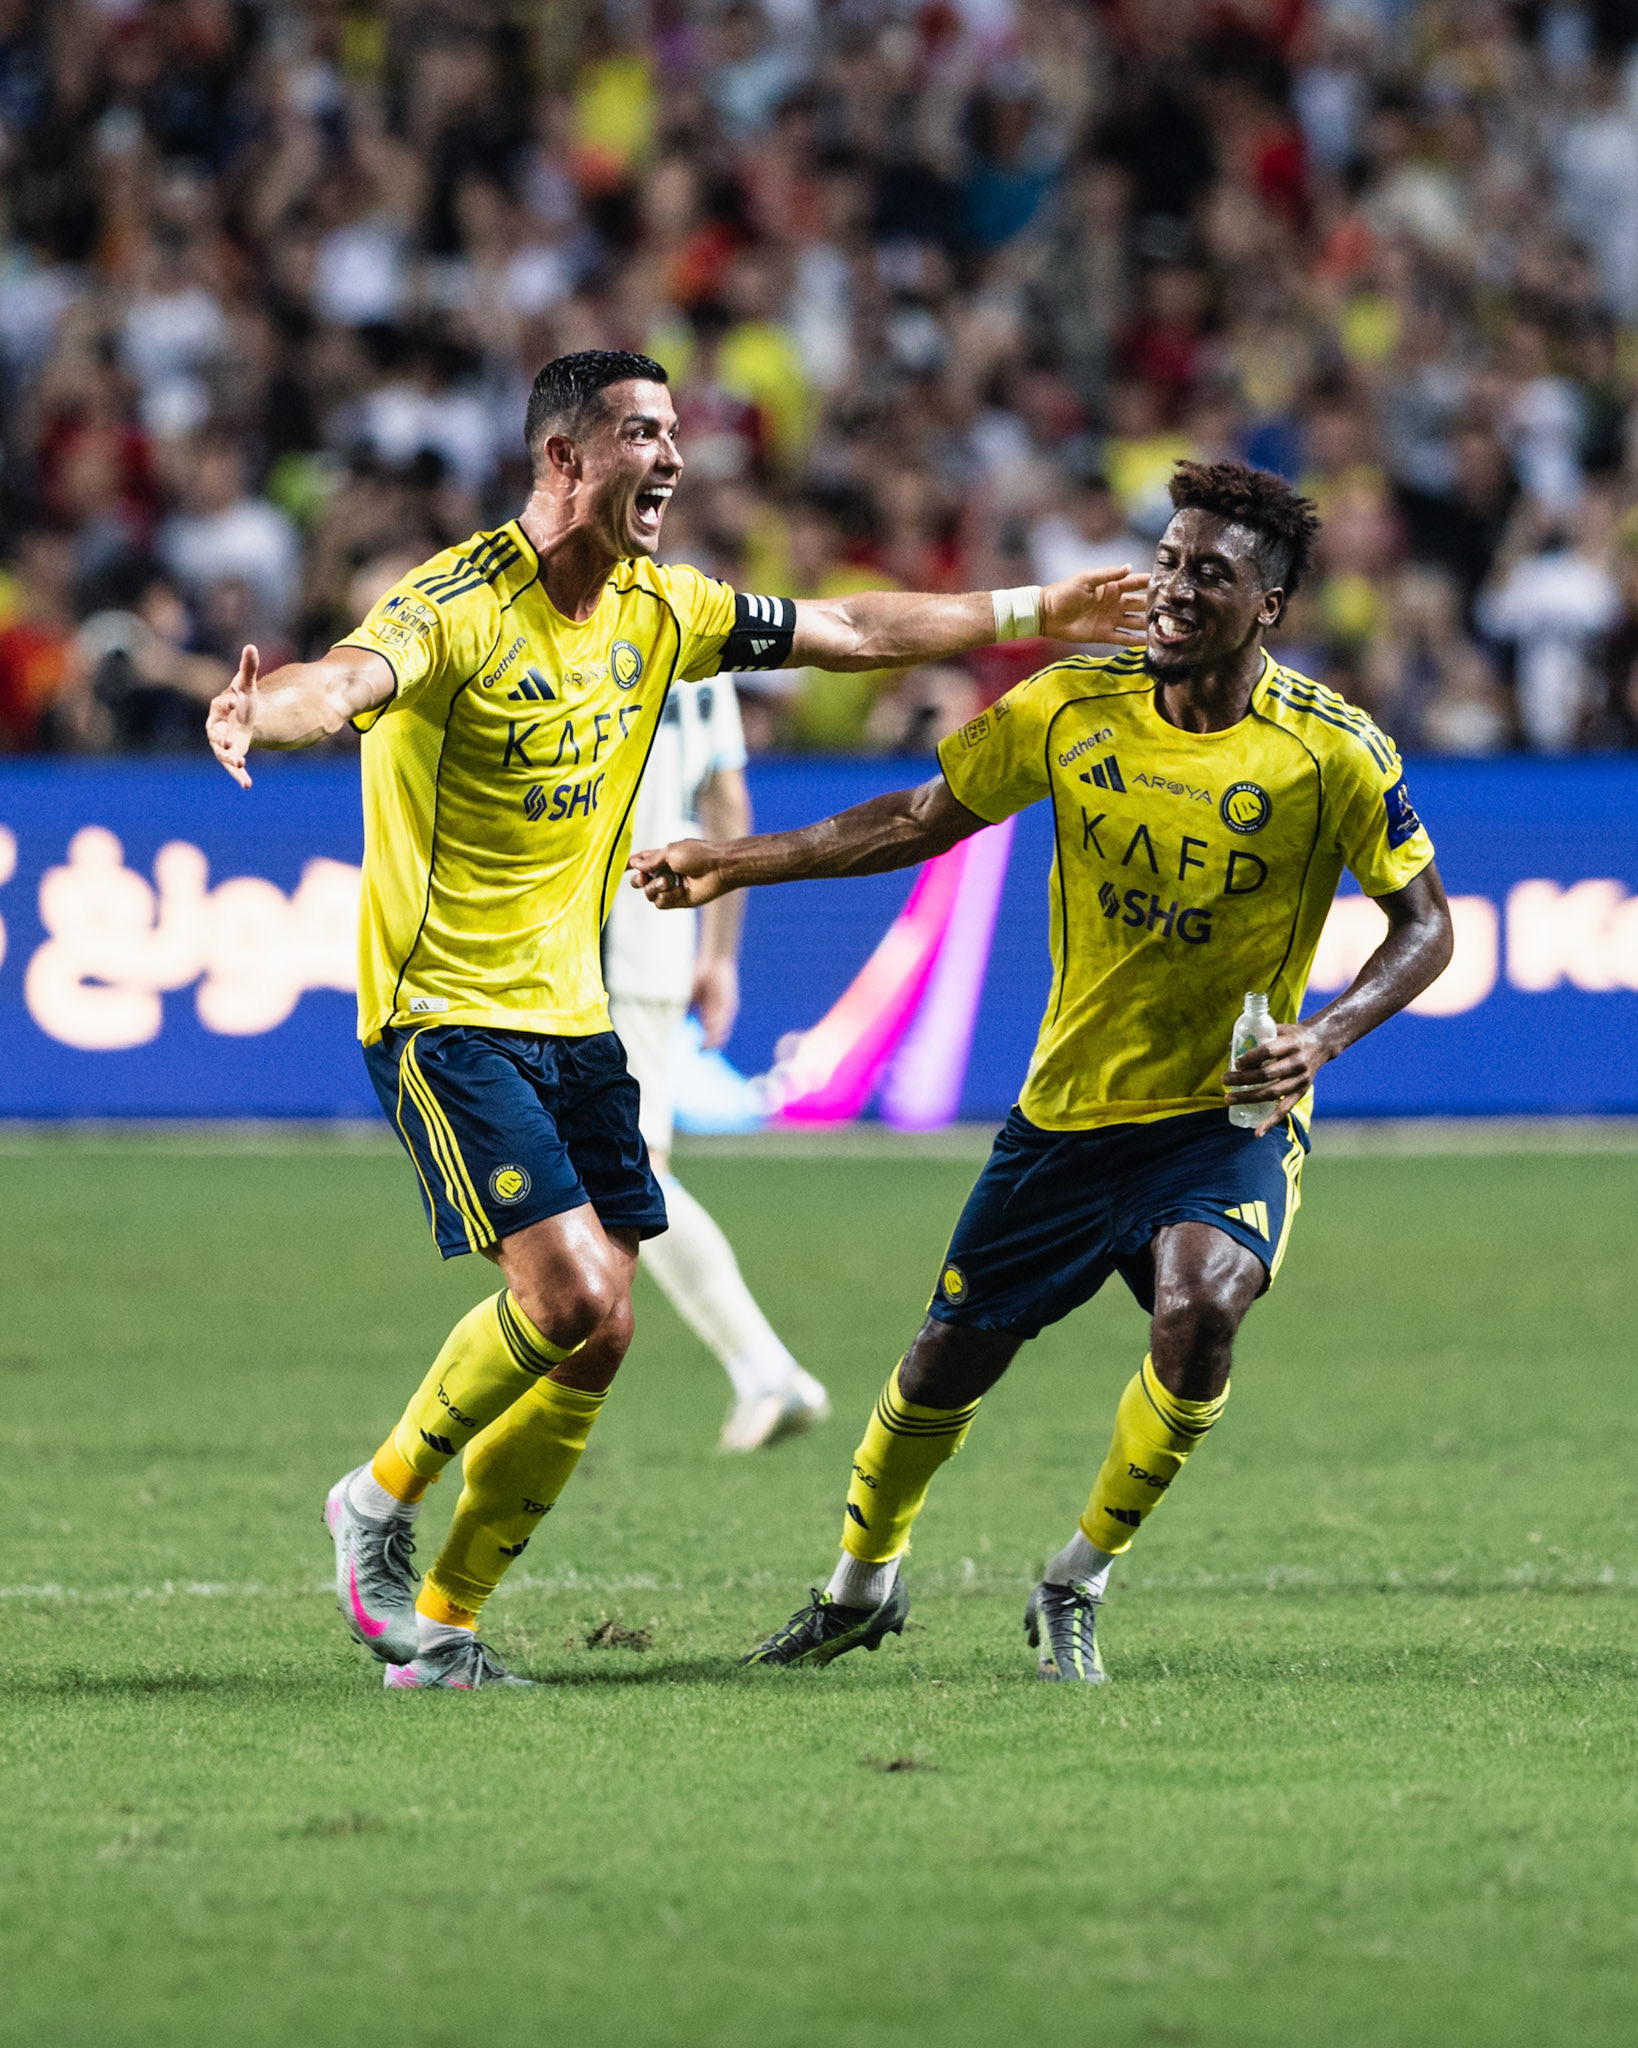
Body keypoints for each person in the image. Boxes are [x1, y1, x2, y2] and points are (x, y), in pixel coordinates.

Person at [204, 347, 1147, 1690]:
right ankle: (375, 1498)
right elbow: (347, 681)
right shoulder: (456, 601)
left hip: (576, 1016)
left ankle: (447, 1629)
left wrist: (1038, 604)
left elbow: (851, 631)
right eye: (642, 433)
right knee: (569, 1289)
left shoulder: (664, 607)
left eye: (676, 432)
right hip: (442, 1013)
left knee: (606, 1335)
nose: (674, 457)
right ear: (564, 460)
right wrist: (263, 706)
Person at [630, 460, 1454, 1683]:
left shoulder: (1333, 752)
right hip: (1069, 1110)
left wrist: (1324, 1034)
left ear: (1269, 605)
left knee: (1204, 1306)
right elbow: (916, 820)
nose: (1172, 589)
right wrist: (736, 862)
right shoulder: (1073, 704)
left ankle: (1078, 1575)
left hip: (1223, 1114)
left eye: (1208, 575)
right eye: (1169, 561)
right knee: (942, 1363)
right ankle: (862, 1584)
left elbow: (1426, 926)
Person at [601, 669, 830, 1449]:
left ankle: (765, 1369)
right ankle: (761, 1370)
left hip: (590, 920)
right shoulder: (698, 631)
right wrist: (719, 954)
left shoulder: (569, 611)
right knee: (615, 1172)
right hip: (662, 917)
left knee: (627, 1170)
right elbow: (726, 802)